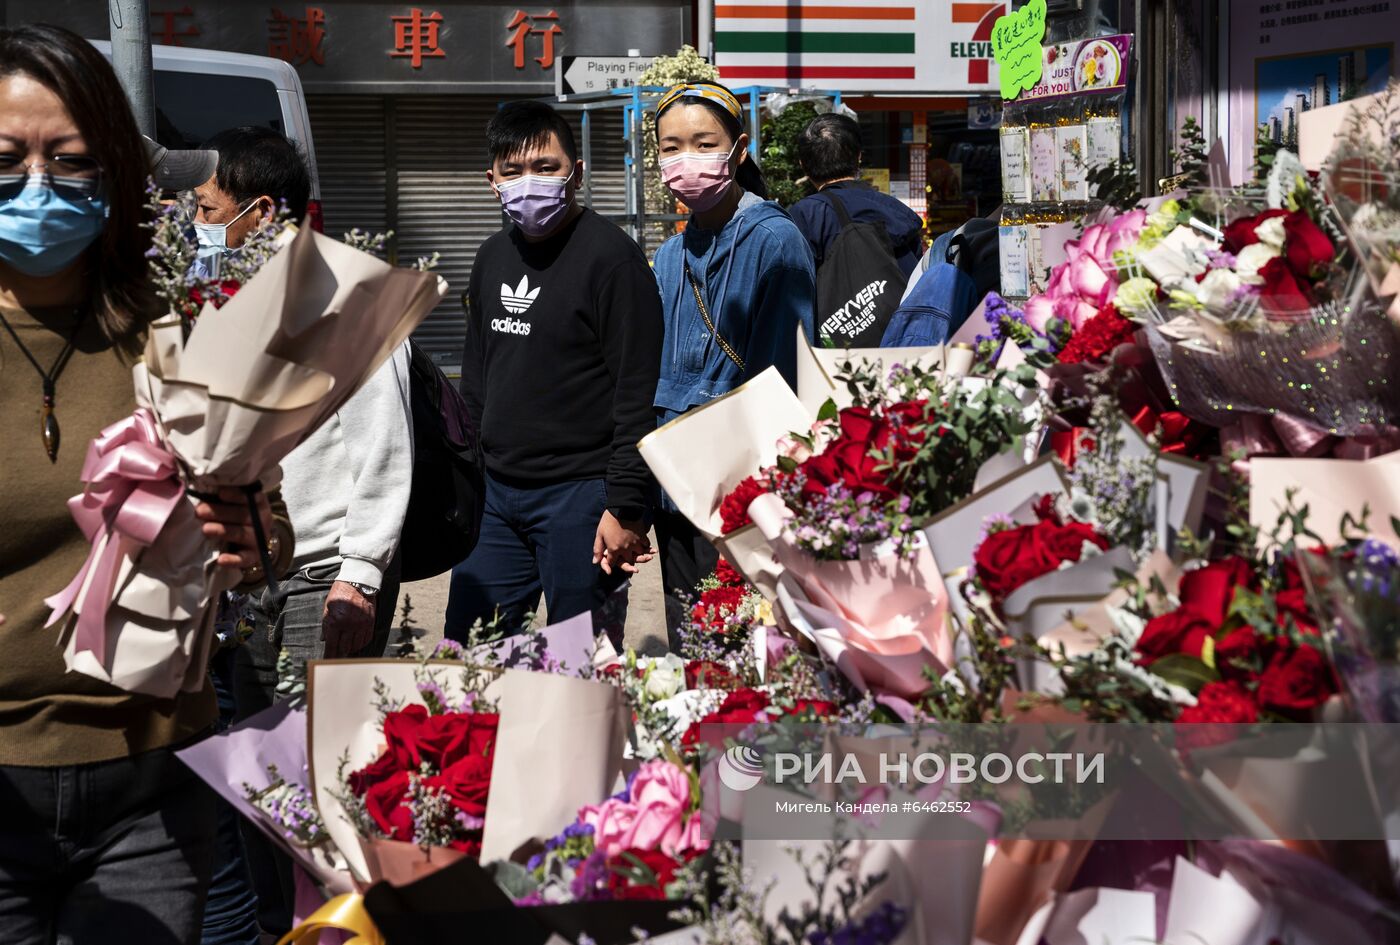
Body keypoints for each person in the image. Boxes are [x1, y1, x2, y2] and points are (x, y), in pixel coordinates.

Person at [0, 24, 271, 945]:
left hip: (152, 786)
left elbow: (263, 540)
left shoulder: (176, 330)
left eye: (69, 161)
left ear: (117, 170)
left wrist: (248, 533)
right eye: (5, 159)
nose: (36, 187)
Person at [213, 126, 413, 935]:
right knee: (255, 773)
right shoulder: (230, 299)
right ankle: (280, 922)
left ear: (260, 211)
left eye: (205, 208)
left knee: (316, 775)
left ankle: (338, 924)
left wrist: (360, 573)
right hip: (247, 579)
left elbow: (386, 446)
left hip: (323, 573)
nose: (193, 223)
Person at [446, 100, 663, 642]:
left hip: (582, 500)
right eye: (513, 170)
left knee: (580, 669)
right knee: (472, 660)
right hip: (495, 500)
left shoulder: (614, 261)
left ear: (578, 173)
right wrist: (468, 480)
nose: (529, 182)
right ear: (490, 179)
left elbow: (638, 392)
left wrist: (625, 506)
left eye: (545, 167)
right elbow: (476, 381)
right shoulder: (491, 256)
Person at [650, 82, 816, 637]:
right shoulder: (670, 254)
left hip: (742, 493)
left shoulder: (776, 241)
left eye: (703, 143)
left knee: (744, 647)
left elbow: (781, 381)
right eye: (671, 147)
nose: (685, 160)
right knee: (691, 641)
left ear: (739, 150)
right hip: (676, 488)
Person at [787, 112, 925, 278]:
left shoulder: (805, 216)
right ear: (859, 156)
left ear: (803, 165)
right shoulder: (895, 209)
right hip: (902, 303)